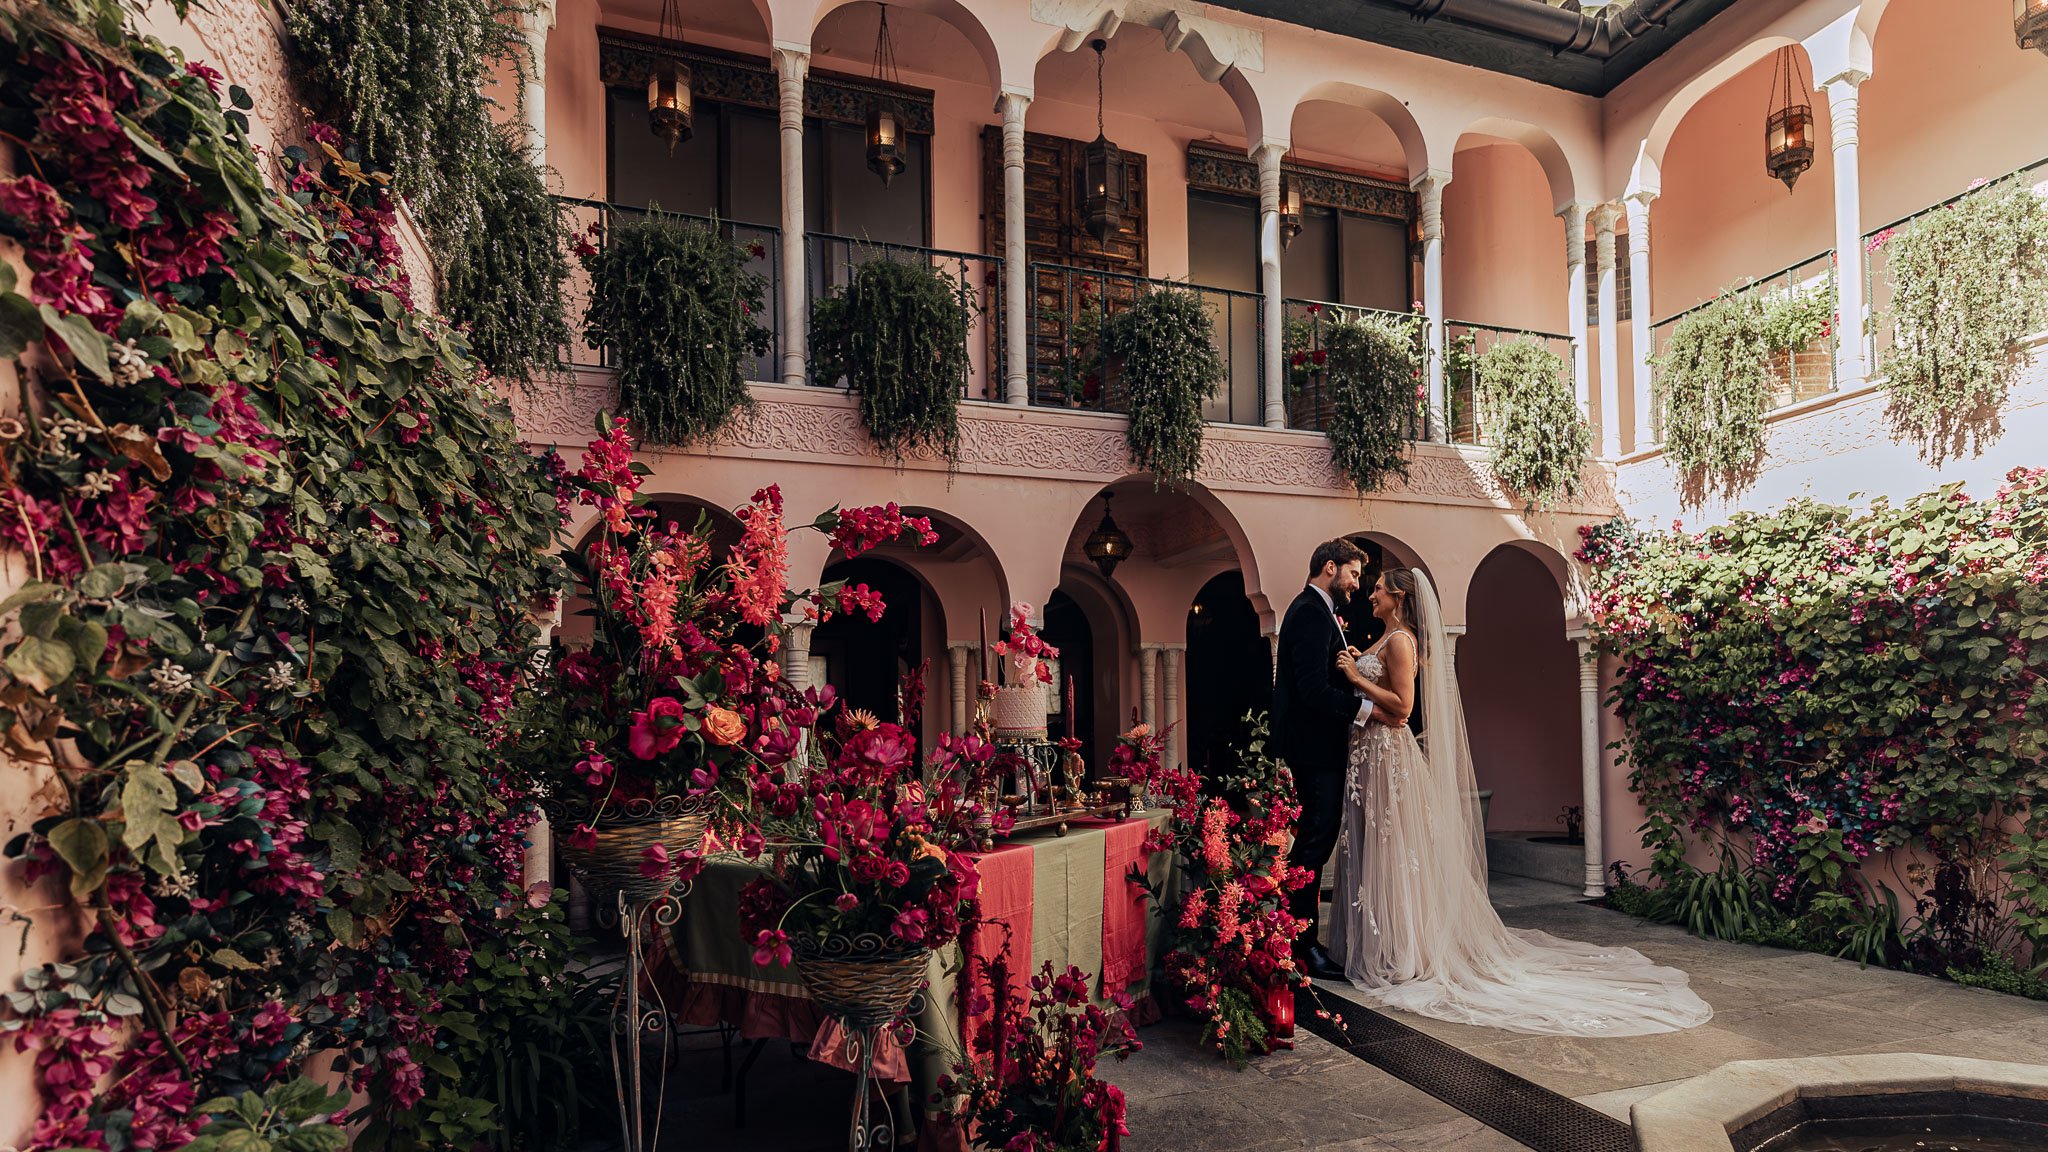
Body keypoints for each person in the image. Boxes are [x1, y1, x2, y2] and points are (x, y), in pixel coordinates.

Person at [1323, 567, 1714, 1037]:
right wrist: (1360, 664)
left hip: (1389, 759)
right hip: (1369, 757)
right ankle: (1376, 943)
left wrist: (1355, 676)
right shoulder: (1385, 639)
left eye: (1378, 589)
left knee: (1394, 851)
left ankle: (1402, 951)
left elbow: (1403, 708)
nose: (1371, 594)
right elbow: (1385, 702)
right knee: (1375, 849)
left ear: (1399, 597)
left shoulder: (1402, 641)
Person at [1272, 538, 1381, 982]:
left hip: (1318, 746)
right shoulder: (1310, 612)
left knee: (1315, 839)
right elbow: (1311, 690)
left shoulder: (1316, 610)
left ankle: (1294, 936)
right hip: (1315, 748)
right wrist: (1367, 711)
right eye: (1353, 574)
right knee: (1315, 841)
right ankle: (1299, 944)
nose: (1357, 584)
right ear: (1330, 567)